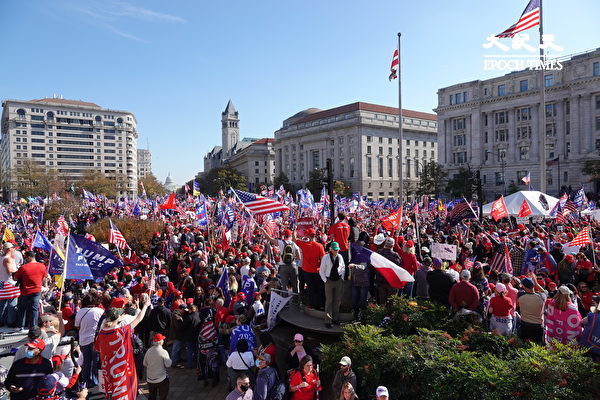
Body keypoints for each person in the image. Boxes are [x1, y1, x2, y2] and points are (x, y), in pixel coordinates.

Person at [95, 296, 150, 399]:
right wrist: (145, 306)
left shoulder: (101, 332)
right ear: (118, 318)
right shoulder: (122, 331)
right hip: (122, 369)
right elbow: (139, 318)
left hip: (109, 368)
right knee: (123, 393)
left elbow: (97, 348)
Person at [74, 292, 104, 389]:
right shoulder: (100, 311)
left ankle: (86, 381)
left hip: (83, 340)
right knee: (96, 362)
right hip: (96, 341)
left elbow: (77, 326)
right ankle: (95, 383)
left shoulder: (80, 312)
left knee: (86, 362)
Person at [14, 251, 47, 330]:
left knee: (22, 308)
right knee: (34, 309)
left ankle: (20, 326)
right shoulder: (42, 266)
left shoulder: (23, 267)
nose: (25, 259)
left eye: (25, 257)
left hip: (25, 291)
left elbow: (15, 277)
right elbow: (44, 277)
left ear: (29, 257)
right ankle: (33, 327)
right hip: (36, 290)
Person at [295, 228, 326, 310]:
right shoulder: (320, 246)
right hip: (317, 271)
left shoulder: (303, 244)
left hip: (306, 271)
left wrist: (294, 230)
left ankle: (312, 305)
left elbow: (294, 239)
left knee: (310, 288)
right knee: (319, 288)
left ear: (308, 235)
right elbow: (323, 259)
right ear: (315, 235)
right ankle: (321, 305)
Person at [319, 242, 346, 329]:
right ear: (331, 249)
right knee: (329, 301)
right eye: (335, 249)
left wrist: (342, 278)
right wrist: (325, 281)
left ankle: (335, 318)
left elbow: (343, 267)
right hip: (329, 280)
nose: (337, 251)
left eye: (337, 249)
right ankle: (328, 320)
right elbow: (321, 270)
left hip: (338, 280)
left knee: (337, 300)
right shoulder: (325, 258)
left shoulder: (340, 257)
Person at [517, 275, 548, 344]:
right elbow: (544, 292)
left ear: (524, 287)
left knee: (523, 346)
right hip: (538, 326)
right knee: (538, 346)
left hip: (525, 324)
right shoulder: (541, 297)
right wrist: (536, 283)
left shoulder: (520, 295)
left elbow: (520, 289)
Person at [143, 333, 172, 400]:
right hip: (161, 379)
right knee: (163, 395)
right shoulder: (163, 351)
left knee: (152, 396)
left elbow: (144, 364)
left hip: (150, 379)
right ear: (161, 342)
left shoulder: (148, 351)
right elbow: (168, 364)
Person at [0, 242, 19, 327]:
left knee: (2, 304)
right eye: (13, 247)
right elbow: (9, 271)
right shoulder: (8, 259)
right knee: (12, 303)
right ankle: (10, 322)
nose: (14, 249)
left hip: (2, 282)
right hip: (9, 283)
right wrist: (19, 271)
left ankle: (1, 321)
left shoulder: (1, 258)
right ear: (9, 249)